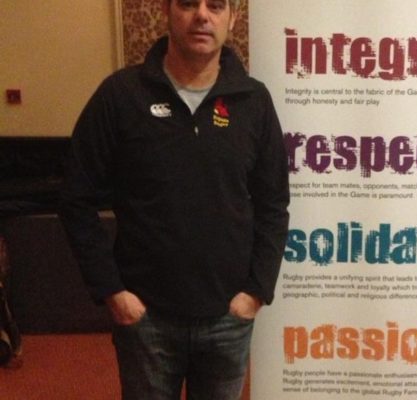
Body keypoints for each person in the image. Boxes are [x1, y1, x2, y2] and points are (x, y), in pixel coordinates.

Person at [59, 0, 289, 398]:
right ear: (167, 11)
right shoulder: (121, 95)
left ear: (232, 18)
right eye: (187, 3)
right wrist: (112, 292)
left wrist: (256, 292)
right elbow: (75, 198)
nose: (202, 15)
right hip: (145, 319)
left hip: (228, 318)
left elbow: (274, 205)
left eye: (216, 5)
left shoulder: (253, 101)